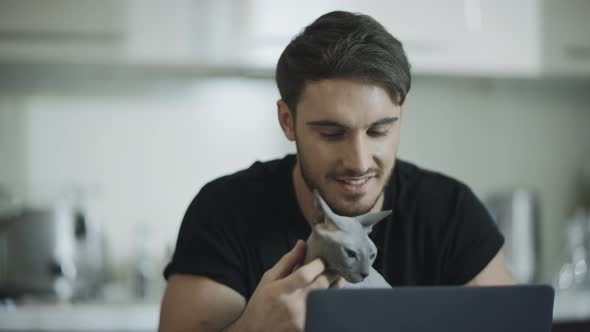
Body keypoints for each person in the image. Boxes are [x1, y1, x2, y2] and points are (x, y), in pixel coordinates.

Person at [158, 10, 512, 332]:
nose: (358, 161)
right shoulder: (225, 212)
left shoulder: (449, 212)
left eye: (378, 131)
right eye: (331, 133)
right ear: (287, 121)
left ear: (400, 117)